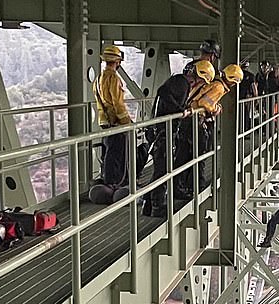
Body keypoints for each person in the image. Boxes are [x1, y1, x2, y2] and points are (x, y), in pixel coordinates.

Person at [142, 60, 215, 216]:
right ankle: (157, 206)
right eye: (203, 80)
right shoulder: (181, 82)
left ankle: (148, 204)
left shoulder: (180, 81)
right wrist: (181, 111)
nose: (202, 84)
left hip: (162, 131)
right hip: (163, 132)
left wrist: (182, 110)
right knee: (163, 170)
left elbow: (164, 94)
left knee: (161, 169)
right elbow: (165, 95)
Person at [175, 63, 244, 194]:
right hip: (194, 120)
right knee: (197, 153)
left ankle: (184, 184)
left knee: (186, 152)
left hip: (190, 118)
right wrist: (215, 108)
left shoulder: (216, 83)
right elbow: (204, 103)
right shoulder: (219, 87)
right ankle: (193, 185)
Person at [93, 45, 132, 186]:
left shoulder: (99, 78)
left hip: (104, 120)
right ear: (118, 62)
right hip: (115, 121)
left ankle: (108, 179)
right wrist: (127, 121)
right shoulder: (114, 78)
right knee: (116, 153)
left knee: (108, 151)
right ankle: (115, 181)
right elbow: (118, 103)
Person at [240, 60, 258, 136]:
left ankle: (239, 130)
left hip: (238, 98)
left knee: (240, 114)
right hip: (247, 98)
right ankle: (245, 131)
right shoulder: (251, 76)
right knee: (246, 114)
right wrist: (256, 98)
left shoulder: (237, 75)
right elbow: (254, 88)